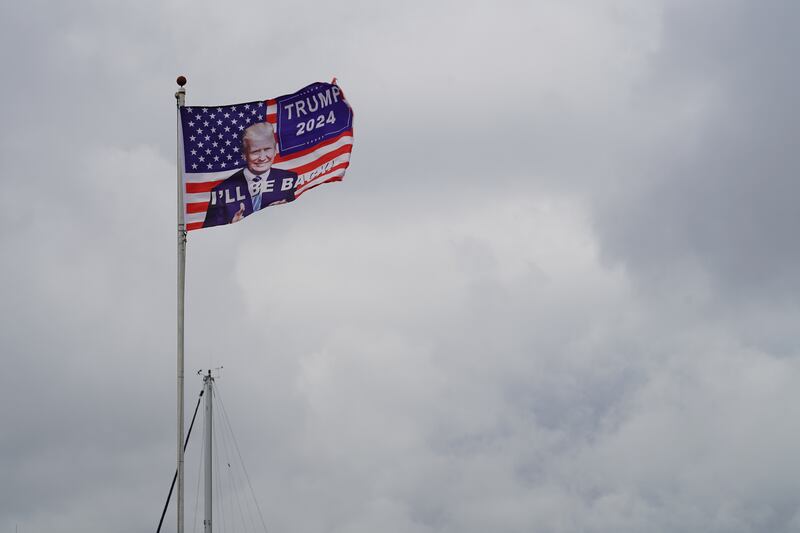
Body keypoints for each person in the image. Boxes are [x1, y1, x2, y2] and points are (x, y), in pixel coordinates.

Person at [203, 122, 298, 228]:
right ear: (244, 155)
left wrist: (286, 210)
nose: (262, 157)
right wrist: (230, 226)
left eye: (267, 149)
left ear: (275, 150)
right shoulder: (221, 191)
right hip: (240, 242)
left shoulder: (290, 179)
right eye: (255, 152)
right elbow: (210, 234)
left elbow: (301, 219)